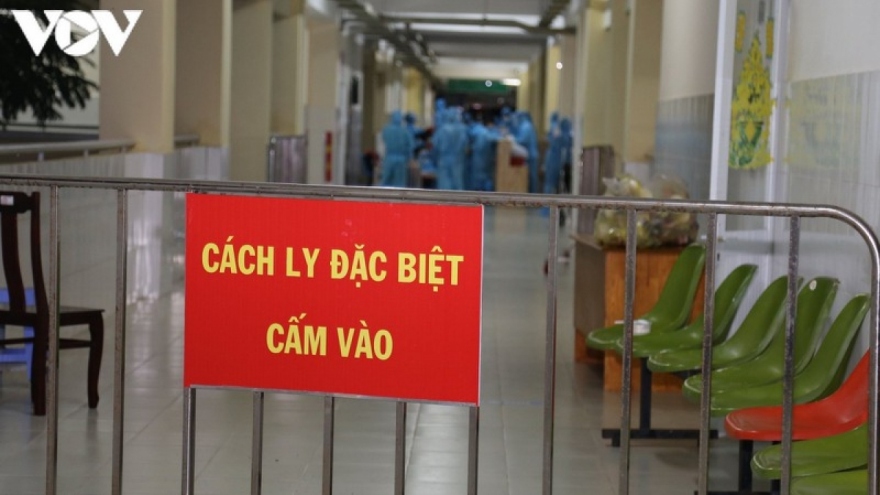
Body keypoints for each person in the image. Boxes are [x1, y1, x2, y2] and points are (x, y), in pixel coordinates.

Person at [432, 108, 468, 190]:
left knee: (444, 183)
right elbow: (465, 145)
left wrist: (434, 160)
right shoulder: (462, 130)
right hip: (457, 160)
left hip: (444, 159)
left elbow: (435, 146)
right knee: (457, 182)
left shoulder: (442, 130)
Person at [380, 110, 414, 187]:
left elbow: (383, 142)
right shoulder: (405, 131)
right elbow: (410, 146)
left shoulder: (386, 130)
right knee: (399, 183)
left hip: (389, 158)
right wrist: (408, 158)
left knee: (386, 182)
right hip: (401, 159)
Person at [543, 117, 573, 195]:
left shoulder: (556, 132)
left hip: (552, 159)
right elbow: (567, 147)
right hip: (556, 161)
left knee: (551, 183)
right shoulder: (563, 135)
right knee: (551, 184)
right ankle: (548, 200)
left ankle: (547, 200)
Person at [513, 111, 540, 193]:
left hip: (531, 156)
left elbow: (523, 140)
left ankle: (533, 196)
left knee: (532, 178)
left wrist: (513, 139)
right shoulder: (526, 125)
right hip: (531, 155)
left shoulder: (526, 126)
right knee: (531, 178)